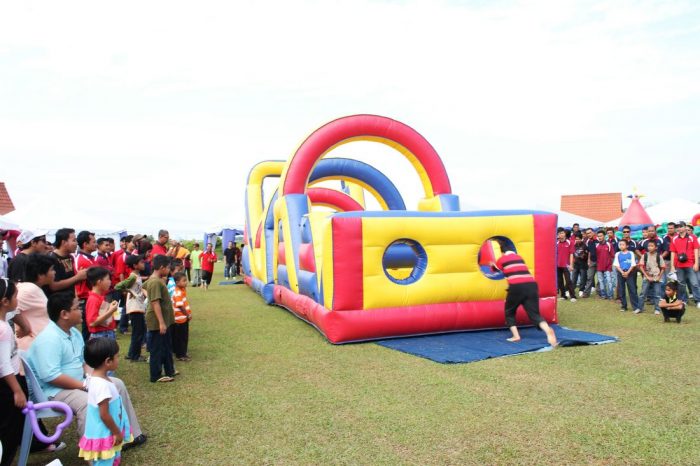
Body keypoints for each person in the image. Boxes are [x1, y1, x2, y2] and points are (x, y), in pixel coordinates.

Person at [26, 292, 146, 445]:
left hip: (78, 383)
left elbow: (85, 362)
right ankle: (93, 450)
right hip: (54, 392)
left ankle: (130, 435)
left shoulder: (74, 333)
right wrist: (85, 385)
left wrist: (93, 380)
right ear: (64, 314)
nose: (81, 310)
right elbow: (51, 377)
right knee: (88, 402)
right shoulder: (49, 339)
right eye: (77, 308)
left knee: (117, 384)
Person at [0, 278, 64, 466]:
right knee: (9, 430)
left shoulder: (4, 320)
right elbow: (3, 365)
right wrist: (17, 391)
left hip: (10, 381)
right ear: (5, 301)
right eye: (15, 297)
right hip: (9, 383)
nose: (18, 301)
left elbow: (15, 313)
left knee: (12, 425)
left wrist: (26, 326)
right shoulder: (3, 330)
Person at [491, 239, 557, 346]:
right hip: (532, 285)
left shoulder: (502, 259)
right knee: (534, 314)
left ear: (502, 252)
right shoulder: (519, 257)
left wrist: (492, 264)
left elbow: (495, 269)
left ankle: (516, 336)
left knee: (509, 311)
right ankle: (547, 330)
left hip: (517, 286)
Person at [78, 338, 133, 465]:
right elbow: (104, 414)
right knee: (105, 461)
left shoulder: (96, 378)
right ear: (108, 361)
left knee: (113, 458)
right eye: (117, 356)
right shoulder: (101, 386)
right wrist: (116, 432)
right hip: (106, 433)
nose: (118, 359)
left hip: (109, 431)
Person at [144, 254, 177, 383]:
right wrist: (161, 323)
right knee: (157, 348)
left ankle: (169, 370)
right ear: (162, 267)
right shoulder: (155, 282)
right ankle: (156, 375)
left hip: (164, 320)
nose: (169, 270)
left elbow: (143, 286)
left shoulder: (156, 280)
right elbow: (155, 302)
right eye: (168, 268)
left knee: (166, 346)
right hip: (157, 321)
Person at [15, 254, 56, 351]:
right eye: (51, 270)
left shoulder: (34, 288)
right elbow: (9, 308)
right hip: (32, 347)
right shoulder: (28, 290)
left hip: (40, 344)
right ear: (40, 275)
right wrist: (24, 327)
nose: (54, 272)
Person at [115, 255, 148, 362]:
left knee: (139, 331)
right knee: (138, 332)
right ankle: (135, 356)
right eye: (141, 262)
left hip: (138, 305)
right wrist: (129, 291)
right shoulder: (133, 276)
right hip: (134, 307)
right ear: (135, 265)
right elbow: (118, 286)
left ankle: (132, 353)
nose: (143, 263)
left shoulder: (137, 275)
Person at [47, 228, 88, 298]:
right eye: (74, 240)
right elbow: (53, 286)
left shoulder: (70, 257)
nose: (77, 243)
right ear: (64, 242)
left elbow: (71, 281)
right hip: (58, 301)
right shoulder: (51, 259)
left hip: (70, 300)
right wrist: (77, 277)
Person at [669, 221, 700, 307]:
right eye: (677, 227)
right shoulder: (674, 238)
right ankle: (683, 300)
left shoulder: (692, 237)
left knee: (694, 283)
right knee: (681, 284)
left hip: (690, 264)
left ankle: (698, 300)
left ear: (685, 227)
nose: (679, 228)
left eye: (681, 226)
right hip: (679, 265)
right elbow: (673, 252)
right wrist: (672, 266)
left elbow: (696, 250)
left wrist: (696, 263)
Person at [85, 267, 119, 341]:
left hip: (107, 333)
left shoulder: (100, 297)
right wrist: (110, 311)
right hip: (101, 336)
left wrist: (110, 307)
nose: (110, 282)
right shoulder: (93, 299)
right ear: (99, 282)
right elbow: (92, 322)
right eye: (108, 279)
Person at [75, 230, 97, 342]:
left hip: (90, 297)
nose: (96, 244)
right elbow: (93, 279)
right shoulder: (83, 260)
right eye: (93, 242)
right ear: (85, 244)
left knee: (90, 329)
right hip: (86, 297)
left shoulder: (89, 258)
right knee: (88, 330)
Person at [613, 239, 640, 313]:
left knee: (632, 289)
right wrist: (622, 272)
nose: (621, 246)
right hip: (621, 273)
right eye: (620, 245)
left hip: (630, 273)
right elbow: (616, 265)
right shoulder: (617, 254)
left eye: (623, 244)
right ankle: (623, 306)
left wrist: (627, 272)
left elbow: (633, 264)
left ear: (627, 246)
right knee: (621, 290)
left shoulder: (631, 253)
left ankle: (636, 307)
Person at [639, 241, 665, 315]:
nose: (649, 247)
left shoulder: (659, 256)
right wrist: (647, 276)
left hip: (656, 277)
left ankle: (657, 309)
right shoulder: (644, 255)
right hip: (647, 277)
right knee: (643, 293)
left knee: (657, 294)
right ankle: (640, 308)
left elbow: (663, 268)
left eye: (652, 246)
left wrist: (659, 277)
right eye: (649, 246)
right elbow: (641, 267)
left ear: (656, 247)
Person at [172, 272, 192, 361]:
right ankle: (181, 355)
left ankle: (182, 352)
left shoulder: (182, 290)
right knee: (181, 338)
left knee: (183, 337)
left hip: (183, 318)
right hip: (180, 319)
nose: (186, 282)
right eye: (183, 281)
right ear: (177, 283)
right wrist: (187, 315)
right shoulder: (178, 293)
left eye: (186, 280)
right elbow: (180, 306)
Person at [555, 229, 576, 302]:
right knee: (560, 281)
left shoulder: (570, 242)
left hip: (566, 265)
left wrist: (571, 265)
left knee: (568, 281)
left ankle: (573, 296)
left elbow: (571, 254)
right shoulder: (556, 243)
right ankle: (563, 296)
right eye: (559, 233)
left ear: (565, 234)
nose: (560, 235)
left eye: (562, 233)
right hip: (558, 265)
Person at [595, 230, 615, 300]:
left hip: (608, 267)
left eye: (601, 236)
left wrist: (610, 265)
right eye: (598, 236)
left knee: (609, 281)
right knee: (601, 282)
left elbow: (612, 256)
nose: (599, 237)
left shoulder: (609, 244)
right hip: (599, 267)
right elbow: (596, 256)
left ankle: (610, 296)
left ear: (604, 236)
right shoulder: (597, 245)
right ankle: (603, 295)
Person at [581, 228, 599, 298]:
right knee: (589, 277)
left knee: (599, 278)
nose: (589, 234)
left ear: (593, 232)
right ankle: (586, 293)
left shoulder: (598, 239)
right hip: (592, 261)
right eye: (587, 233)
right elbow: (589, 252)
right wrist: (588, 260)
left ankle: (599, 293)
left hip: (600, 261)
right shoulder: (587, 241)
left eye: (590, 232)